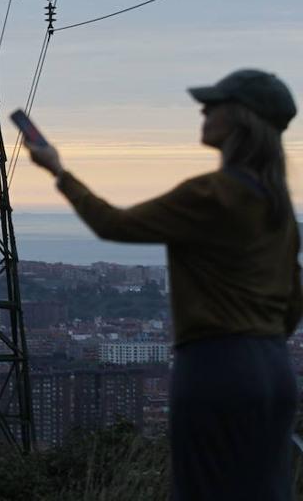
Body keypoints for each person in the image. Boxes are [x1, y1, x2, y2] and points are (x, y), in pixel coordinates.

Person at [23, 68, 301, 501]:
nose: (204, 110)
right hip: (274, 369)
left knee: (204, 489)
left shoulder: (211, 194)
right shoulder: (279, 208)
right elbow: (291, 306)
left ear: (241, 120)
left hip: (216, 366)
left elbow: (113, 223)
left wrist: (59, 170)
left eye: (214, 104)